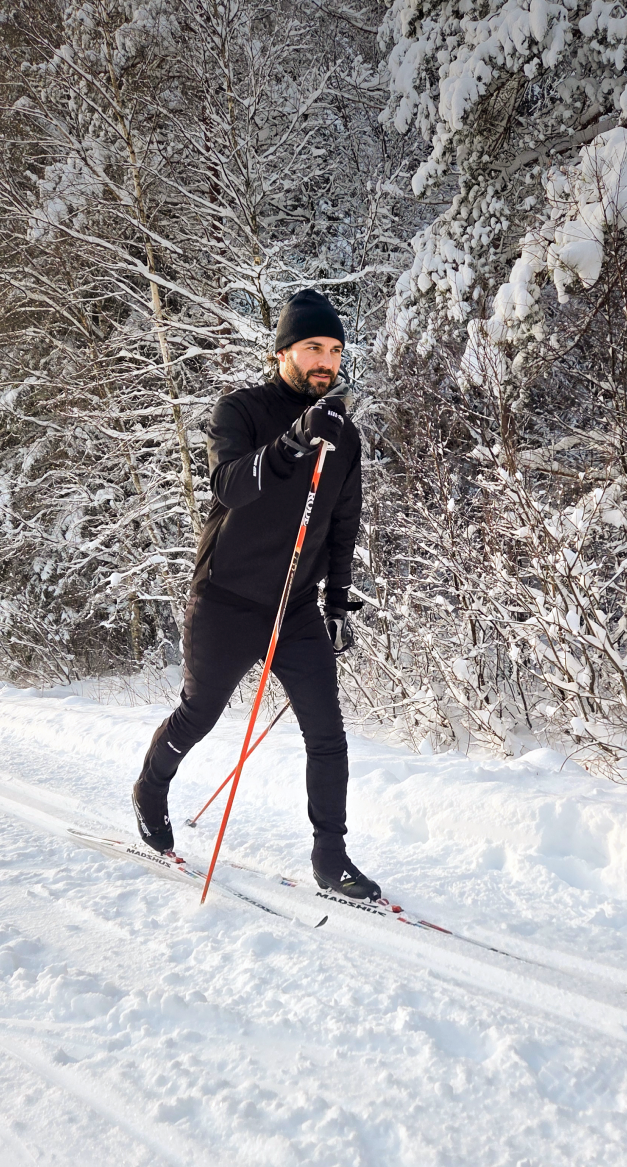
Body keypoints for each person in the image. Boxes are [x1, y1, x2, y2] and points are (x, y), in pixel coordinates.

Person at [131, 288, 380, 900]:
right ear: (282, 353)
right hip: (227, 598)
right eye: (312, 348)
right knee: (200, 714)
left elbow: (342, 523)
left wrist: (337, 601)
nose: (326, 362)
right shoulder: (239, 410)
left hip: (295, 608)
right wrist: (293, 440)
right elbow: (229, 486)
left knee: (327, 733)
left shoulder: (345, 436)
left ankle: (330, 858)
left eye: (335, 351)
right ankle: (150, 787)